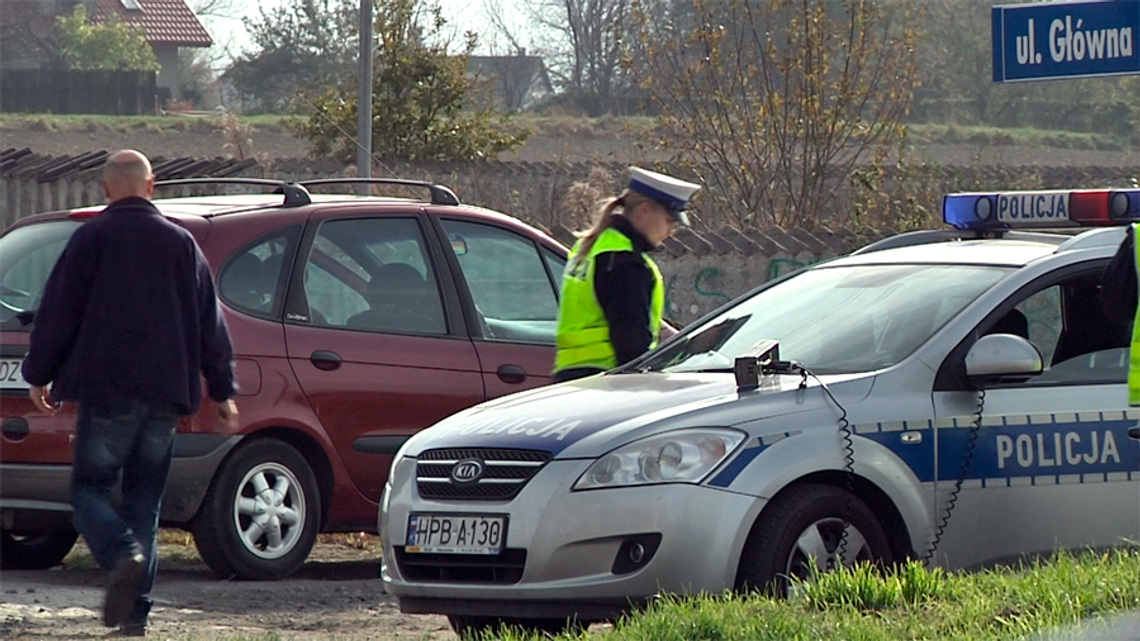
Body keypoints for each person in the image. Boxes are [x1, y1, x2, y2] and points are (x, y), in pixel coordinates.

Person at [21, 150, 239, 637]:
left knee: (89, 491)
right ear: (152, 186)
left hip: (106, 394)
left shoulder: (91, 239)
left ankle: (123, 555)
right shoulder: (183, 245)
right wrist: (223, 391)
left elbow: (58, 312)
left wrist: (39, 372)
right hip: (165, 398)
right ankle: (135, 615)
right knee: (145, 502)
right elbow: (211, 324)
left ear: (104, 189)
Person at [552, 166, 701, 383]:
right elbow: (632, 345)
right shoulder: (627, 263)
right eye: (670, 220)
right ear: (644, 210)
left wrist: (682, 344)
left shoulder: (593, 246)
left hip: (573, 378)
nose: (672, 231)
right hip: (608, 383)